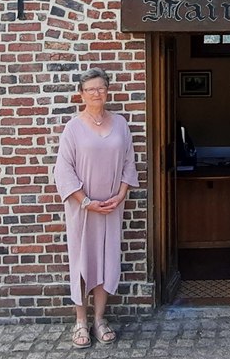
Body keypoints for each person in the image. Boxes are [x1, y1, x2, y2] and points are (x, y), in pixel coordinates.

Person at [53, 67, 138, 349]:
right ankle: (80, 321)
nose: (97, 93)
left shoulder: (121, 123)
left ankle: (100, 319)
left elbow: (129, 162)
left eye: (101, 88)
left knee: (106, 260)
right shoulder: (73, 128)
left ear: (107, 90)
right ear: (82, 94)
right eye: (91, 89)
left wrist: (121, 194)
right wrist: (86, 202)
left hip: (112, 206)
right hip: (83, 208)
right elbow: (63, 170)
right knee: (81, 261)